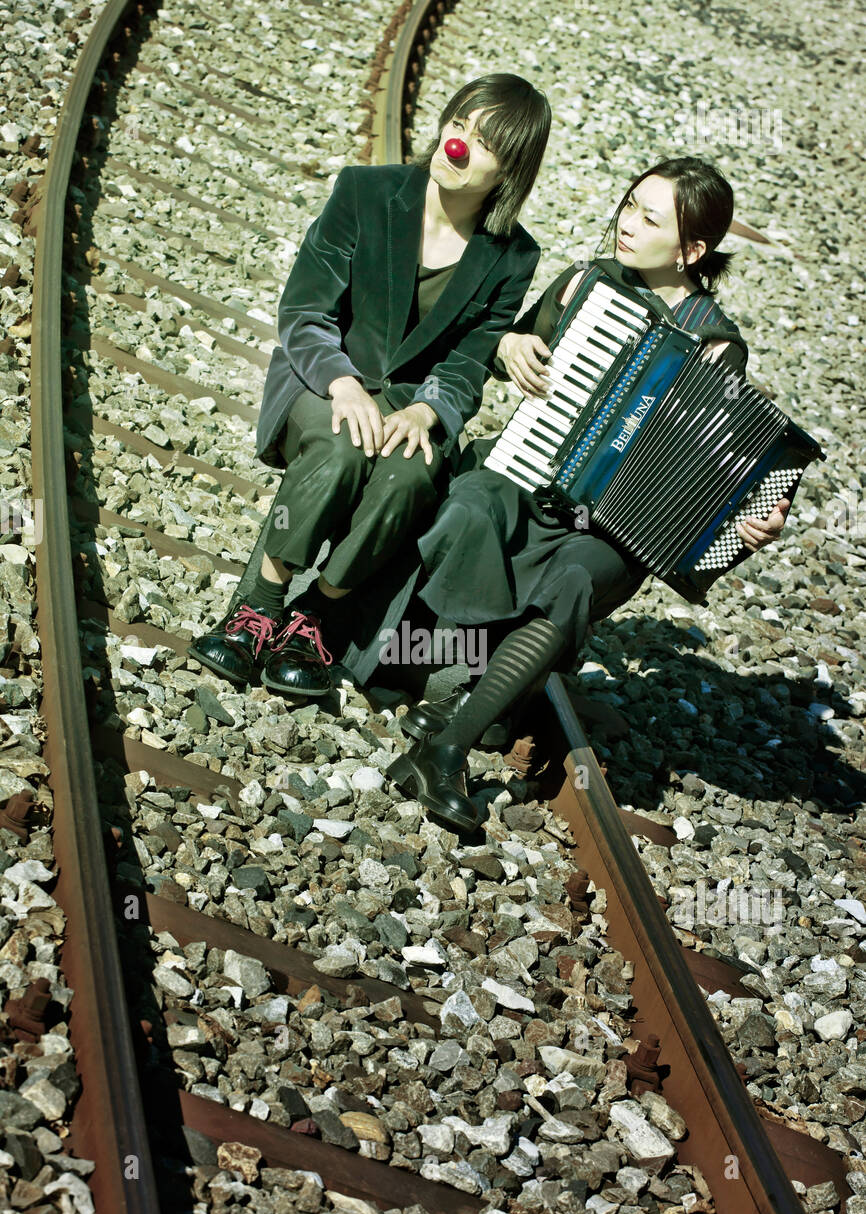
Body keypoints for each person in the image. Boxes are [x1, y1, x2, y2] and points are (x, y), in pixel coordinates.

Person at [387, 156, 792, 831]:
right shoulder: (587, 283)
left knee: (577, 575)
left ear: (693, 249)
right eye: (629, 205)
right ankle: (447, 681)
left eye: (649, 218)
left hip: (610, 529)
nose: (627, 224)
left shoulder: (717, 347)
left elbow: (720, 483)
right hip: (531, 473)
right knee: (473, 502)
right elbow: (494, 344)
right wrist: (512, 344)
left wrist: (748, 525)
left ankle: (451, 740)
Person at [187, 74, 551, 698]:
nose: (456, 143)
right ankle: (258, 605)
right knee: (338, 447)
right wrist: (344, 385)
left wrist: (430, 414)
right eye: (458, 122)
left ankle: (318, 616)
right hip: (320, 378)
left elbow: (468, 361)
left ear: (509, 168)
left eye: (482, 140)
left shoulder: (512, 256)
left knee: (410, 475)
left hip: (409, 404)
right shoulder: (366, 191)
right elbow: (304, 315)